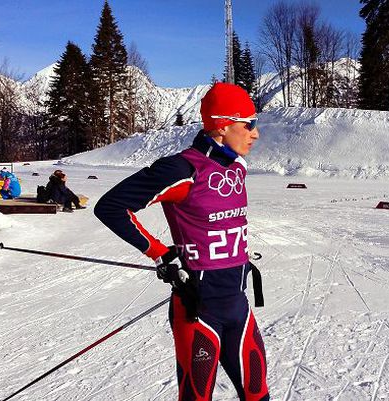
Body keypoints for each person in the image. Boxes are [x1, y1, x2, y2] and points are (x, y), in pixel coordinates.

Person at [94, 82, 269, 401]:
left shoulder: (237, 167)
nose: (255, 133)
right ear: (222, 126)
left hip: (238, 305)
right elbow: (112, 207)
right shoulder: (182, 169)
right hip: (198, 310)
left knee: (258, 395)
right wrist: (160, 253)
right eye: (249, 124)